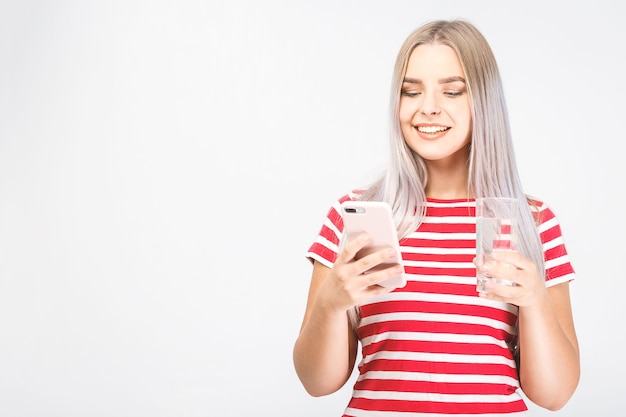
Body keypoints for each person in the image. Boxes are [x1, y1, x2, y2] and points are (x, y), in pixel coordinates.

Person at [292, 19, 579, 416]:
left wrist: (534, 299)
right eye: (411, 91)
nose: (428, 107)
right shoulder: (355, 216)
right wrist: (330, 305)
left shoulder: (531, 220)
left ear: (483, 101)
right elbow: (316, 383)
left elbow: (555, 395)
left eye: (453, 90)